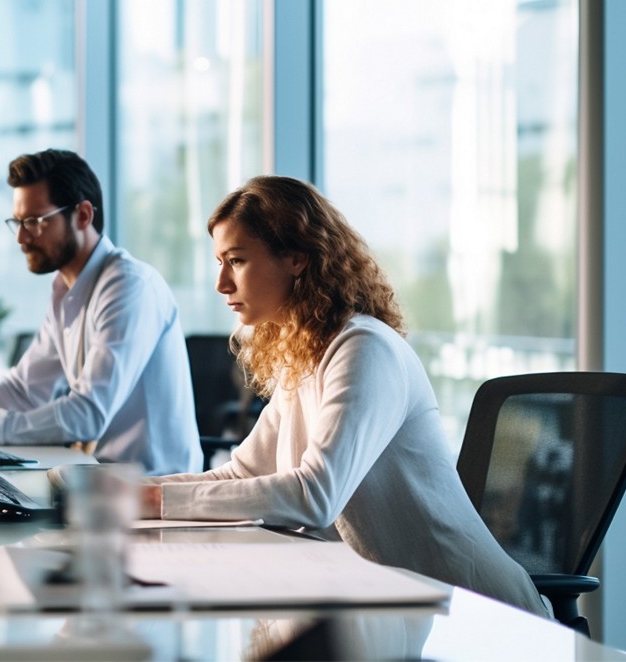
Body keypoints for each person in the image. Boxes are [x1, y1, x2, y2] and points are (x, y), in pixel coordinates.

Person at [138, 175, 549, 617]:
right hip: (390, 606)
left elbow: (315, 496)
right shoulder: (304, 354)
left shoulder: (364, 349)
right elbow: (239, 474)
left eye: (236, 260)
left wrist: (160, 501)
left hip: (471, 616)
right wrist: (130, 493)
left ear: (296, 257)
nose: (221, 282)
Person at [0, 149, 202, 475]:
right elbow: (24, 388)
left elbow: (88, 412)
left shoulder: (128, 286)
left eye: (34, 221)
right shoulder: (65, 290)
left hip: (154, 492)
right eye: (17, 222)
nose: (21, 237)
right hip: (98, 481)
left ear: (83, 215)